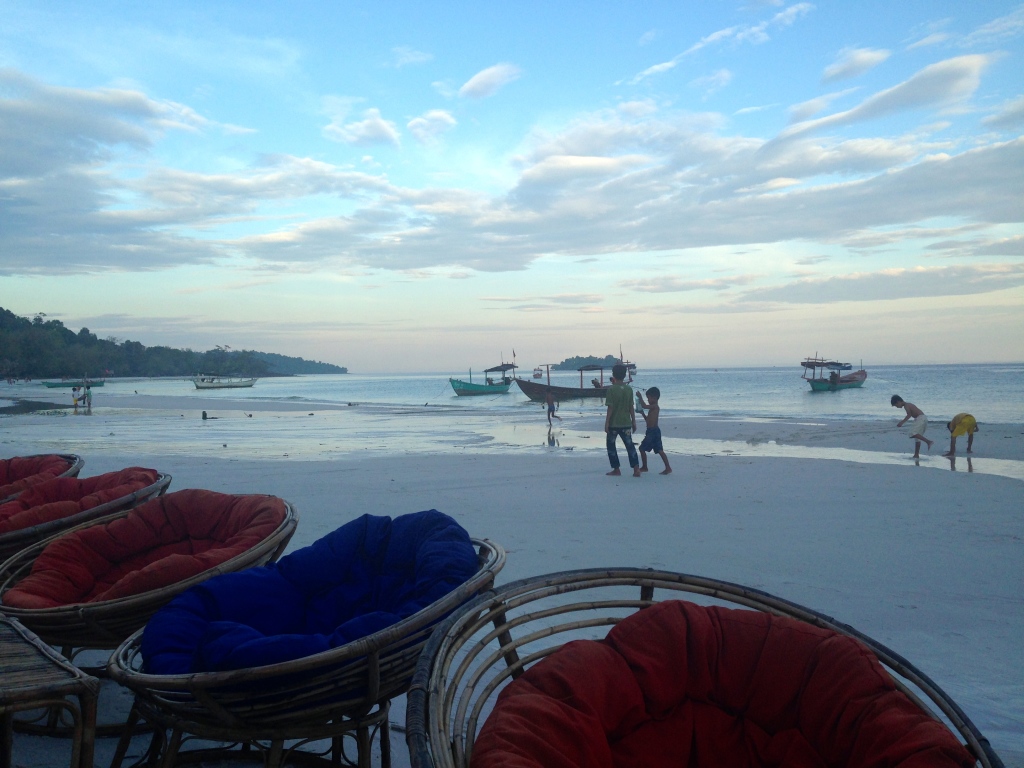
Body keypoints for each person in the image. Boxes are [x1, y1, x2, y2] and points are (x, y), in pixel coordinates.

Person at [604, 363, 640, 477]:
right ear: (625, 375)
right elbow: (631, 407)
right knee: (630, 445)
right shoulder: (629, 389)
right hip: (626, 422)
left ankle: (616, 469)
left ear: (613, 375)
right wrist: (634, 421)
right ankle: (636, 468)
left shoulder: (611, 390)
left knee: (611, 446)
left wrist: (607, 422)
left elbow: (610, 408)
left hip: (614, 423)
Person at [636, 387, 672, 475]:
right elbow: (648, 420)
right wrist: (643, 414)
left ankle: (645, 467)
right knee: (659, 450)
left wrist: (640, 397)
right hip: (652, 431)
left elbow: (644, 406)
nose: (647, 400)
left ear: (654, 398)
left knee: (642, 448)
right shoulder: (652, 409)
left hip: (653, 432)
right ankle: (668, 467)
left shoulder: (655, 407)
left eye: (648, 398)